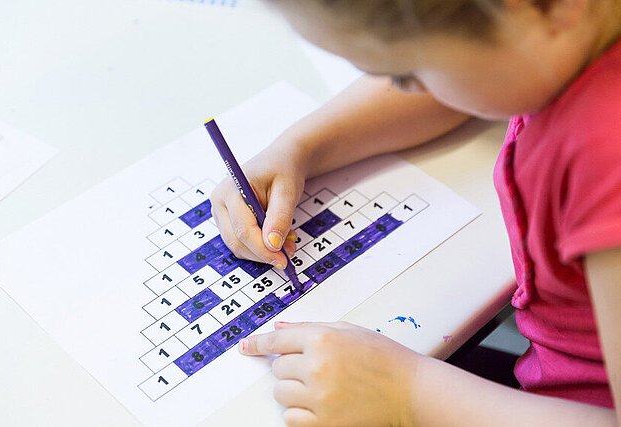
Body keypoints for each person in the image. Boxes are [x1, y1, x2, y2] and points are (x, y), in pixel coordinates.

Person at [209, 1, 621, 425]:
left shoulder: (606, 163)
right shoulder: (563, 41)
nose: (406, 89)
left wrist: (407, 392)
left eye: (407, 72)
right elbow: (462, 77)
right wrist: (298, 148)